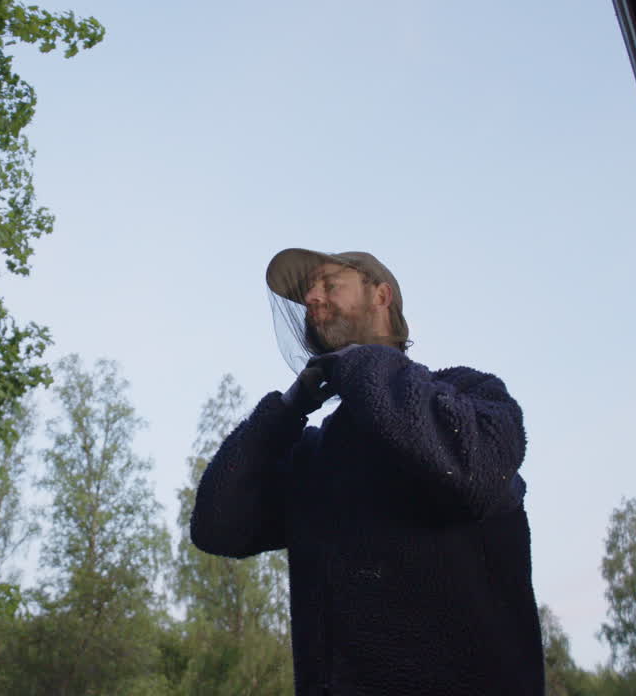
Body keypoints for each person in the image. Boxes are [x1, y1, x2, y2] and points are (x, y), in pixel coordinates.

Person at [190, 248, 543, 695]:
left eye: (329, 283)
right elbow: (217, 527)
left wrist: (363, 359)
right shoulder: (314, 457)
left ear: (381, 295)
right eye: (307, 295)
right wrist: (285, 411)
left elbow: (471, 473)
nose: (313, 299)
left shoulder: (471, 393)